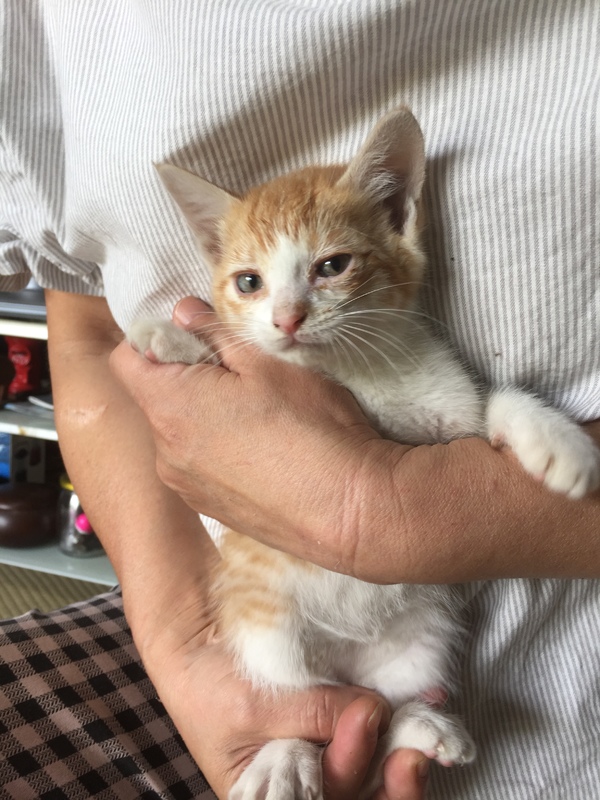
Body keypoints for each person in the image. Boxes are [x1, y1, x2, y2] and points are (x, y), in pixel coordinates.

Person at [0, 2, 598, 799]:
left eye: (330, 267)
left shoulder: (408, 359)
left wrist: (417, 489)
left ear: (396, 216)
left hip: (533, 683)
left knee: (419, 655)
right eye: (248, 282)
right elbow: (85, 324)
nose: (286, 317)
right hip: (263, 628)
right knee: (273, 651)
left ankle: (400, 716)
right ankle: (324, 727)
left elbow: (471, 422)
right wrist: (188, 645)